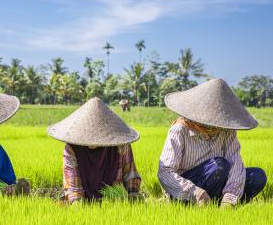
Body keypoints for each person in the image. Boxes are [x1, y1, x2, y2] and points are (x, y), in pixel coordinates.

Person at [158, 78, 267, 207]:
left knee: (257, 176)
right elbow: (165, 171)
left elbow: (235, 163)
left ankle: (220, 208)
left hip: (217, 179)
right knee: (219, 166)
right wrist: (196, 193)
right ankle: (194, 205)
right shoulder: (180, 130)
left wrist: (230, 198)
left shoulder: (227, 132)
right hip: (185, 190)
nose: (215, 127)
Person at [47, 97, 141, 203]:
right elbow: (74, 189)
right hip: (84, 202)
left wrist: (133, 196)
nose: (92, 141)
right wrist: (79, 208)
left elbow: (131, 175)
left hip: (116, 203)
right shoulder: (71, 149)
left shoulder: (121, 144)